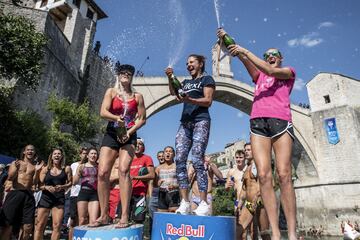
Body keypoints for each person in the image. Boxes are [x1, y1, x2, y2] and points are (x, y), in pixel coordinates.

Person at [217, 28, 297, 240]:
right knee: (263, 175)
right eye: (267, 55)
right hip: (258, 121)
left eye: (274, 54)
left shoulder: (288, 72)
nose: (270, 57)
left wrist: (244, 49)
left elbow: (270, 72)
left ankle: (292, 233)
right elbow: (252, 67)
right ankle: (276, 234)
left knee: (284, 174)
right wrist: (236, 51)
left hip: (281, 121)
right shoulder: (259, 75)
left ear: (280, 59)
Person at [95, 64, 146, 228]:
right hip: (112, 133)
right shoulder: (111, 92)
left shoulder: (137, 96)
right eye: (123, 73)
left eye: (129, 73)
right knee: (102, 172)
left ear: (132, 77)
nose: (126, 75)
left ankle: (124, 215)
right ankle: (104, 215)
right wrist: (116, 119)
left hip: (128, 136)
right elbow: (103, 111)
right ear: (118, 75)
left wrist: (130, 132)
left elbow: (142, 119)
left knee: (124, 170)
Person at [165, 54, 216, 216]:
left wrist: (191, 100)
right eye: (187, 63)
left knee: (196, 159)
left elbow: (208, 100)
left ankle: (203, 202)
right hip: (185, 123)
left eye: (192, 62)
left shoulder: (207, 79)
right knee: (179, 159)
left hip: (201, 121)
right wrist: (170, 77)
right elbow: (175, 92)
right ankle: (185, 201)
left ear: (200, 64)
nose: (188, 65)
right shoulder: (186, 83)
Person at [0, 145, 43, 240]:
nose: (30, 151)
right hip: (15, 193)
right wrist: (15, 168)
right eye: (28, 150)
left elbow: (35, 183)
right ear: (24, 152)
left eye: (32, 150)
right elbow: (10, 178)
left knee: (28, 226)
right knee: (7, 225)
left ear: (34, 152)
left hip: (28, 195)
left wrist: (37, 171)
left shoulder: (35, 166)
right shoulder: (16, 163)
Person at [34, 148, 72, 240]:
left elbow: (70, 183)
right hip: (46, 198)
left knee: (57, 226)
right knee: (39, 225)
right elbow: (39, 185)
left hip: (59, 199)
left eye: (59, 154)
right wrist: (46, 187)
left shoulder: (66, 168)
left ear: (61, 156)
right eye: (55, 154)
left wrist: (62, 186)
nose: (57, 155)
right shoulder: (46, 169)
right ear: (51, 156)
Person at [236, 143, 270, 240]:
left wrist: (257, 197)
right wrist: (238, 205)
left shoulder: (258, 165)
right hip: (249, 203)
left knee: (264, 233)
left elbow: (264, 184)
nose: (246, 152)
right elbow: (244, 190)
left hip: (259, 202)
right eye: (245, 150)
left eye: (249, 150)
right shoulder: (247, 168)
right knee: (239, 229)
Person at [118, 138, 154, 225]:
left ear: (143, 147)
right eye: (136, 143)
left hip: (139, 195)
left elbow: (152, 175)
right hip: (125, 194)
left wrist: (135, 177)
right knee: (118, 219)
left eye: (140, 144)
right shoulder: (126, 159)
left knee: (138, 222)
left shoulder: (147, 158)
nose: (137, 145)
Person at [73, 147, 99, 226]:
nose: (93, 155)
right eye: (91, 153)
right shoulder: (82, 166)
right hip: (83, 193)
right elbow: (74, 182)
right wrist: (78, 172)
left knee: (93, 221)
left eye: (95, 154)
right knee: (82, 220)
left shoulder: (99, 166)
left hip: (94, 194)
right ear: (87, 156)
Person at [68, 147, 87, 240]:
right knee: (73, 221)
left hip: (86, 195)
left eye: (86, 153)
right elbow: (72, 181)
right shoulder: (74, 165)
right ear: (80, 154)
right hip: (75, 194)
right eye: (83, 153)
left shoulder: (92, 165)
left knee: (83, 219)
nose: (85, 155)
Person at [155, 146, 180, 213]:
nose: (168, 153)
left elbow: (184, 182)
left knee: (172, 217)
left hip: (174, 193)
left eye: (170, 151)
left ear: (174, 155)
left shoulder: (177, 166)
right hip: (162, 194)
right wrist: (157, 183)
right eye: (166, 151)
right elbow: (154, 184)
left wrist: (175, 186)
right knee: (162, 216)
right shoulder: (158, 168)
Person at [148, 150, 164, 237]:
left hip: (165, 197)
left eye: (162, 156)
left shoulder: (170, 168)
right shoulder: (154, 169)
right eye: (159, 156)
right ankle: (152, 236)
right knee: (152, 219)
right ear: (157, 158)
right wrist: (151, 197)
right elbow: (150, 184)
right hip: (154, 196)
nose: (161, 157)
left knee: (163, 219)